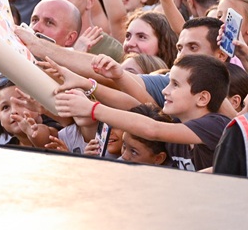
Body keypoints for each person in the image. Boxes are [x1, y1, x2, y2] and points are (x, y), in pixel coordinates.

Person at [55, 54, 231, 171]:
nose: (165, 91)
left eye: (175, 85)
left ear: (202, 99)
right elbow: (138, 105)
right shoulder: (177, 124)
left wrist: (92, 109)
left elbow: (152, 130)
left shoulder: (217, 124)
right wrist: (88, 84)